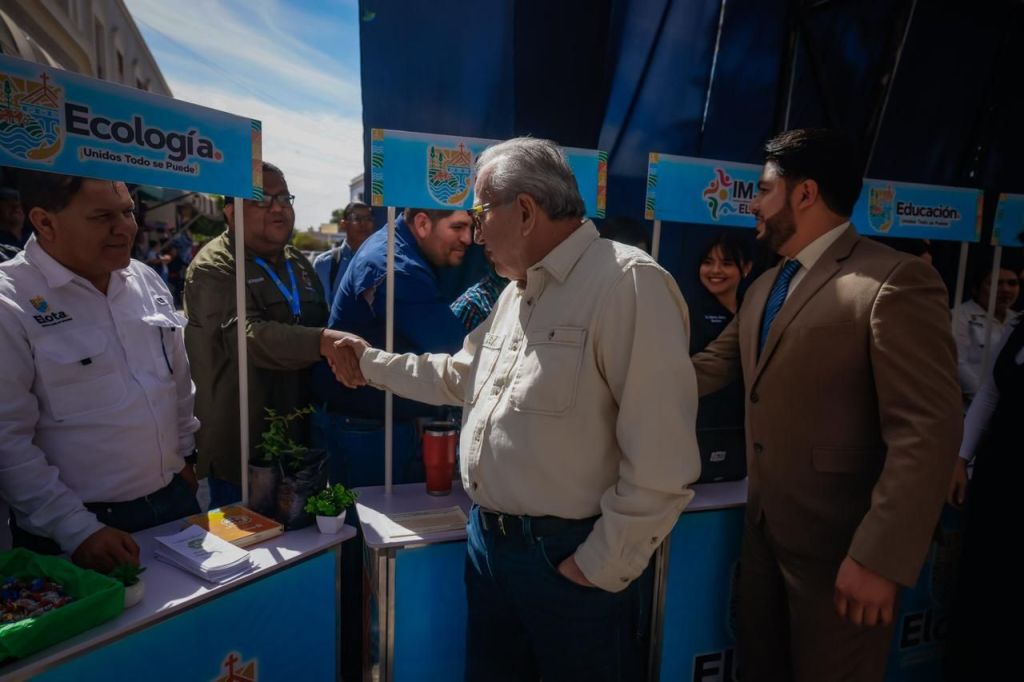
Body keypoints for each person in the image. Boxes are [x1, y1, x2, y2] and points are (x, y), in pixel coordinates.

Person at [329, 137, 701, 681]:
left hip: (567, 560)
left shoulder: (628, 283)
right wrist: (370, 363)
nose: (476, 235)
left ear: (525, 211)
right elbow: (459, 375)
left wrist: (599, 566)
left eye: (481, 216)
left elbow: (663, 457)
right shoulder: (515, 293)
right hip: (491, 550)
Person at [691, 128, 962, 681]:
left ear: (806, 193)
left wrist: (879, 558)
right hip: (764, 544)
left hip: (846, 555)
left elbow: (927, 430)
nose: (753, 205)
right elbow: (710, 368)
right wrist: (611, 376)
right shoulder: (765, 285)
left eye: (764, 190)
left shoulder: (894, 280)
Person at [0, 171, 200, 572]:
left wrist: (186, 460)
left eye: (127, 211)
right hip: (80, 533)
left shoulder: (145, 279)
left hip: (174, 500)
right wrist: (77, 531)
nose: (124, 227)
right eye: (102, 216)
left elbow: (177, 384)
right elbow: (7, 440)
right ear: (45, 222)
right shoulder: (10, 301)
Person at [183, 162, 349, 507]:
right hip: (243, 451)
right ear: (231, 212)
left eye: (284, 198)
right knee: (248, 539)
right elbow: (244, 337)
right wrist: (319, 342)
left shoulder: (298, 263)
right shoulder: (215, 266)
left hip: (300, 444)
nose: (278, 208)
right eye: (262, 200)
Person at [314, 205, 472, 420]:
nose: (468, 238)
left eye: (471, 227)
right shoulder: (396, 269)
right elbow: (459, 357)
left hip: (375, 416)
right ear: (422, 224)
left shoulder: (393, 244)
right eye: (458, 227)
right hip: (371, 425)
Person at [944, 317, 1021, 679]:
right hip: (998, 477)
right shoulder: (1018, 329)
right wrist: (960, 458)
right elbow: (990, 393)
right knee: (981, 581)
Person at [689, 232, 752, 481]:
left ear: (746, 267)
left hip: (741, 424)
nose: (715, 270)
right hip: (698, 423)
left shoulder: (755, 307)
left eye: (726, 263)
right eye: (708, 262)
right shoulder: (685, 308)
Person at [951, 263, 1020, 404]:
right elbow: (957, 362)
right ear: (975, 289)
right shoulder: (958, 316)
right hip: (968, 405)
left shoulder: (1017, 320)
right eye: (996, 283)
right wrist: (984, 401)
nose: (1005, 289)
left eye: (1012, 283)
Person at [313, 201, 376, 302]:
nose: (363, 223)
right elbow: (320, 307)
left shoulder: (384, 262)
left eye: (368, 219)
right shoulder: (325, 263)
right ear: (344, 224)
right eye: (357, 218)